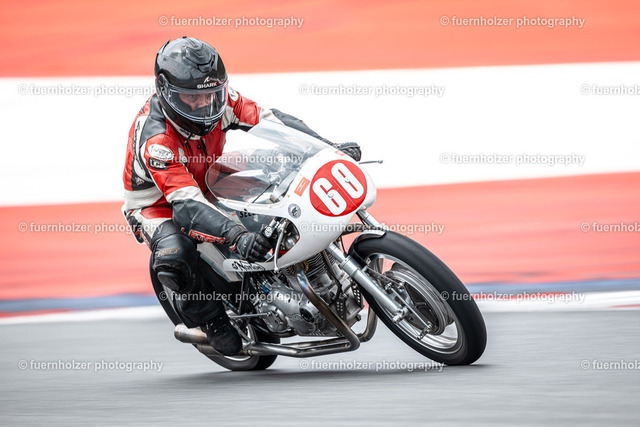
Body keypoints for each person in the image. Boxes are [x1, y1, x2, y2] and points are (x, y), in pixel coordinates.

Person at [122, 37, 361, 356]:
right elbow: (187, 204)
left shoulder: (218, 99)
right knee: (175, 253)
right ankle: (211, 321)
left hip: (209, 177)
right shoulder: (157, 140)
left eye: (210, 94)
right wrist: (237, 235)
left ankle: (309, 273)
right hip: (160, 205)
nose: (204, 105)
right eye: (191, 98)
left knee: (280, 179)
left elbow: (271, 121)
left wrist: (327, 148)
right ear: (165, 91)